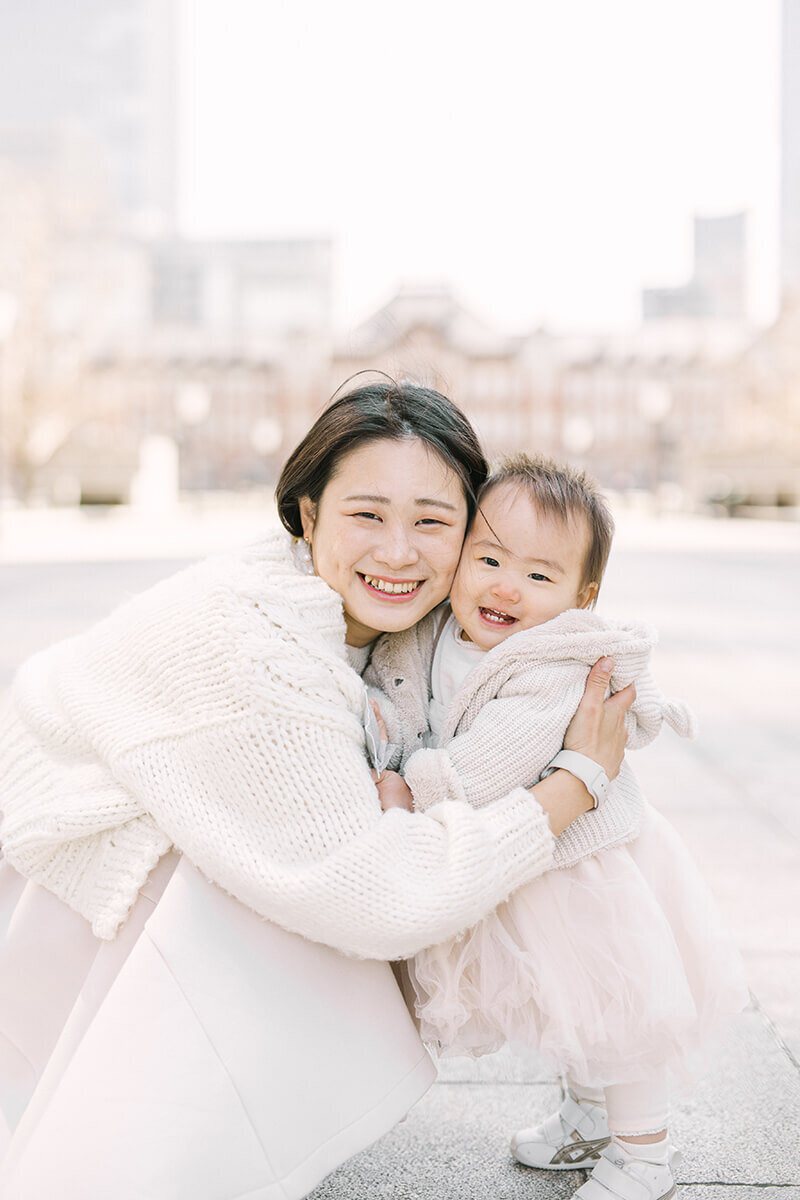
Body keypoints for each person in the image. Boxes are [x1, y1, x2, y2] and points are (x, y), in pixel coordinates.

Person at [0, 381, 633, 1200]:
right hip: (55, 880)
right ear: (306, 517)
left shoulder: (395, 623)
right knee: (291, 898)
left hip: (79, 857)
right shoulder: (261, 648)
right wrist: (574, 785)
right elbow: (379, 896)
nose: (400, 552)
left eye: (434, 523)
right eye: (366, 515)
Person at [366, 453, 748, 1200]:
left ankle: (645, 1157)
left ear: (582, 596)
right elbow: (399, 692)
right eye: (489, 558)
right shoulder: (437, 634)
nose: (506, 586)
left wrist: (407, 787)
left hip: (582, 870)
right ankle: (585, 1116)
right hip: (522, 855)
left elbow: (488, 766)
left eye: (540, 576)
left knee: (615, 1009)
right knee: (567, 1007)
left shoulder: (553, 666)